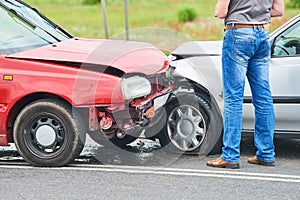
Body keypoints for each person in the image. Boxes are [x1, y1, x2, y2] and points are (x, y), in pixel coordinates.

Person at [207, 0, 284, 169]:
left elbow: (221, 12)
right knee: (263, 97)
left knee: (233, 97)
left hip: (238, 34)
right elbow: (278, 10)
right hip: (263, 34)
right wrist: (256, 14)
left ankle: (230, 155)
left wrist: (242, 13)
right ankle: (266, 153)